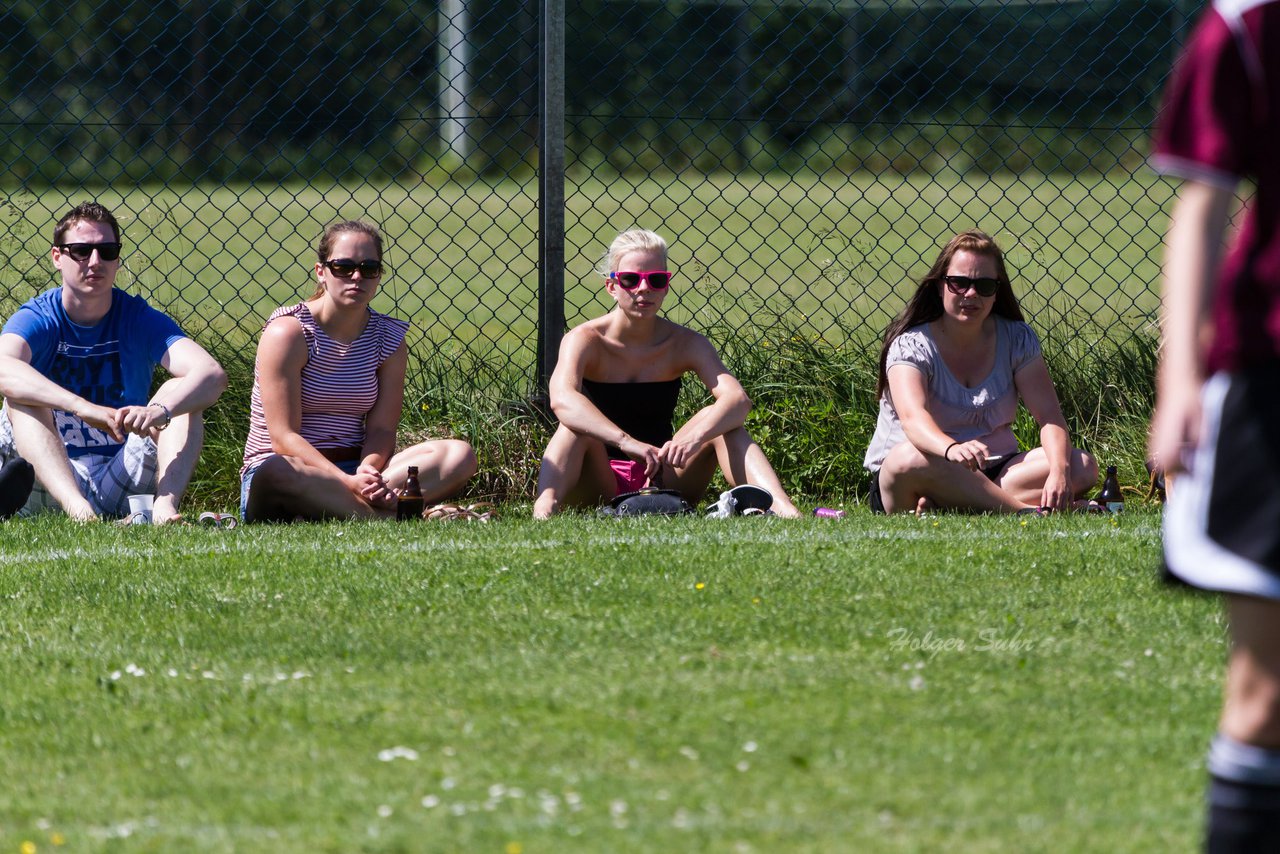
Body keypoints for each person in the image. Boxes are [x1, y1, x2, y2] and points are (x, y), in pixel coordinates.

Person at [1149, 2, 1280, 849]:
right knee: (1268, 691)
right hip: (1270, 384)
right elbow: (1202, 206)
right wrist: (1180, 381)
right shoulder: (1246, 24)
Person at [533, 228, 802, 519]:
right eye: (630, 279)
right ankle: (545, 508)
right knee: (572, 427)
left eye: (656, 280)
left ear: (666, 285)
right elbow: (562, 400)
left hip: (664, 474)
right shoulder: (585, 339)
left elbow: (737, 400)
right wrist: (626, 443)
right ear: (612, 286)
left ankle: (783, 508)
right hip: (600, 478)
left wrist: (695, 438)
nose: (643, 289)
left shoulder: (684, 342)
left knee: (726, 428)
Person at [0, 202, 227, 523]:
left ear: (117, 258)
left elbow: (212, 375)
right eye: (81, 250)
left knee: (181, 392)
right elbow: (3, 368)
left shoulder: (137, 317)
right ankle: (79, 512)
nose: (95, 261)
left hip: (121, 474)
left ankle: (164, 509)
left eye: (107, 251)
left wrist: (158, 412)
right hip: (48, 476)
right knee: (21, 399)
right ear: (57, 257)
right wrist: (81, 407)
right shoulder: (39, 316)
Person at [240, 220, 476, 522]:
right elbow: (283, 437)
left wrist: (369, 470)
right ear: (321, 272)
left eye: (369, 268)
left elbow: (381, 430)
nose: (356, 277)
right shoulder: (288, 333)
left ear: (378, 275)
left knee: (458, 455)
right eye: (343, 267)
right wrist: (346, 481)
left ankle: (355, 508)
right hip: (292, 469)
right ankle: (390, 518)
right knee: (276, 470)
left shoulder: (388, 338)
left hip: (355, 469)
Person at [863, 230, 1097, 515]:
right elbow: (914, 420)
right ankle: (1025, 513)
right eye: (959, 283)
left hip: (995, 470)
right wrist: (951, 449)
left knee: (1081, 465)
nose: (971, 294)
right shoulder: (911, 345)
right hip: (924, 467)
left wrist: (1058, 474)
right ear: (939, 286)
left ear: (997, 291)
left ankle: (955, 504)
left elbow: (1049, 417)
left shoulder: (1016, 338)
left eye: (984, 285)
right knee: (907, 459)